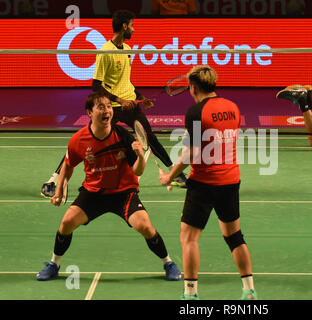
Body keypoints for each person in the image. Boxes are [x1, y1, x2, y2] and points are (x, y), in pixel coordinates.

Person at [41, 10, 187, 199]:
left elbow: (125, 81)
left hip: (131, 105)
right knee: (85, 142)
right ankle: (53, 180)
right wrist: (119, 101)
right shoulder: (105, 51)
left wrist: (141, 97)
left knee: (150, 138)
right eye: (132, 25)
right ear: (124, 26)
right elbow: (96, 85)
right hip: (112, 109)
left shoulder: (127, 50)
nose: (134, 30)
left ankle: (176, 174)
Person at [36, 92, 181, 282]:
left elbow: (137, 172)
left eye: (109, 107)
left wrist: (139, 156)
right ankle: (54, 264)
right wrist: (60, 189)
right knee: (66, 224)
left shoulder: (122, 135)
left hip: (123, 193)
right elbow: (68, 163)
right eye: (101, 107)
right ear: (90, 112)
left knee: (145, 226)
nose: (107, 111)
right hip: (94, 193)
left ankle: (168, 263)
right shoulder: (78, 140)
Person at [159, 66, 257, 300]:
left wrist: (170, 176)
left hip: (204, 182)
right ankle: (249, 290)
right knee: (234, 237)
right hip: (231, 180)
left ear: (193, 87)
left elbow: (192, 154)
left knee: (189, 238)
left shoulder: (195, 111)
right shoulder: (233, 107)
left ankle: (190, 294)